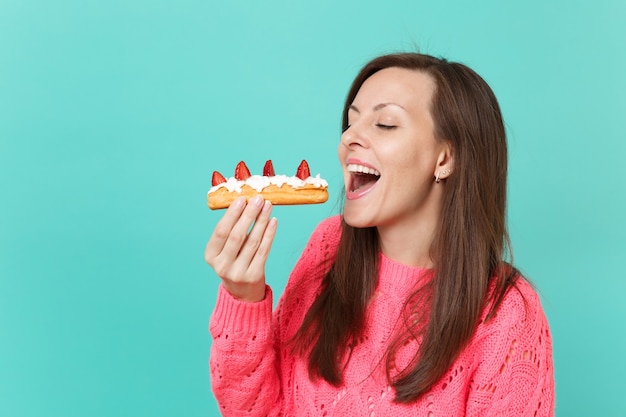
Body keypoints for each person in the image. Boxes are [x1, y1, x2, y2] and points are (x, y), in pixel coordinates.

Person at [205, 52, 555, 416]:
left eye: (385, 124)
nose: (350, 138)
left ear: (445, 159)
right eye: (351, 122)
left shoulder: (508, 314)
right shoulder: (329, 247)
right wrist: (243, 297)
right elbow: (259, 410)